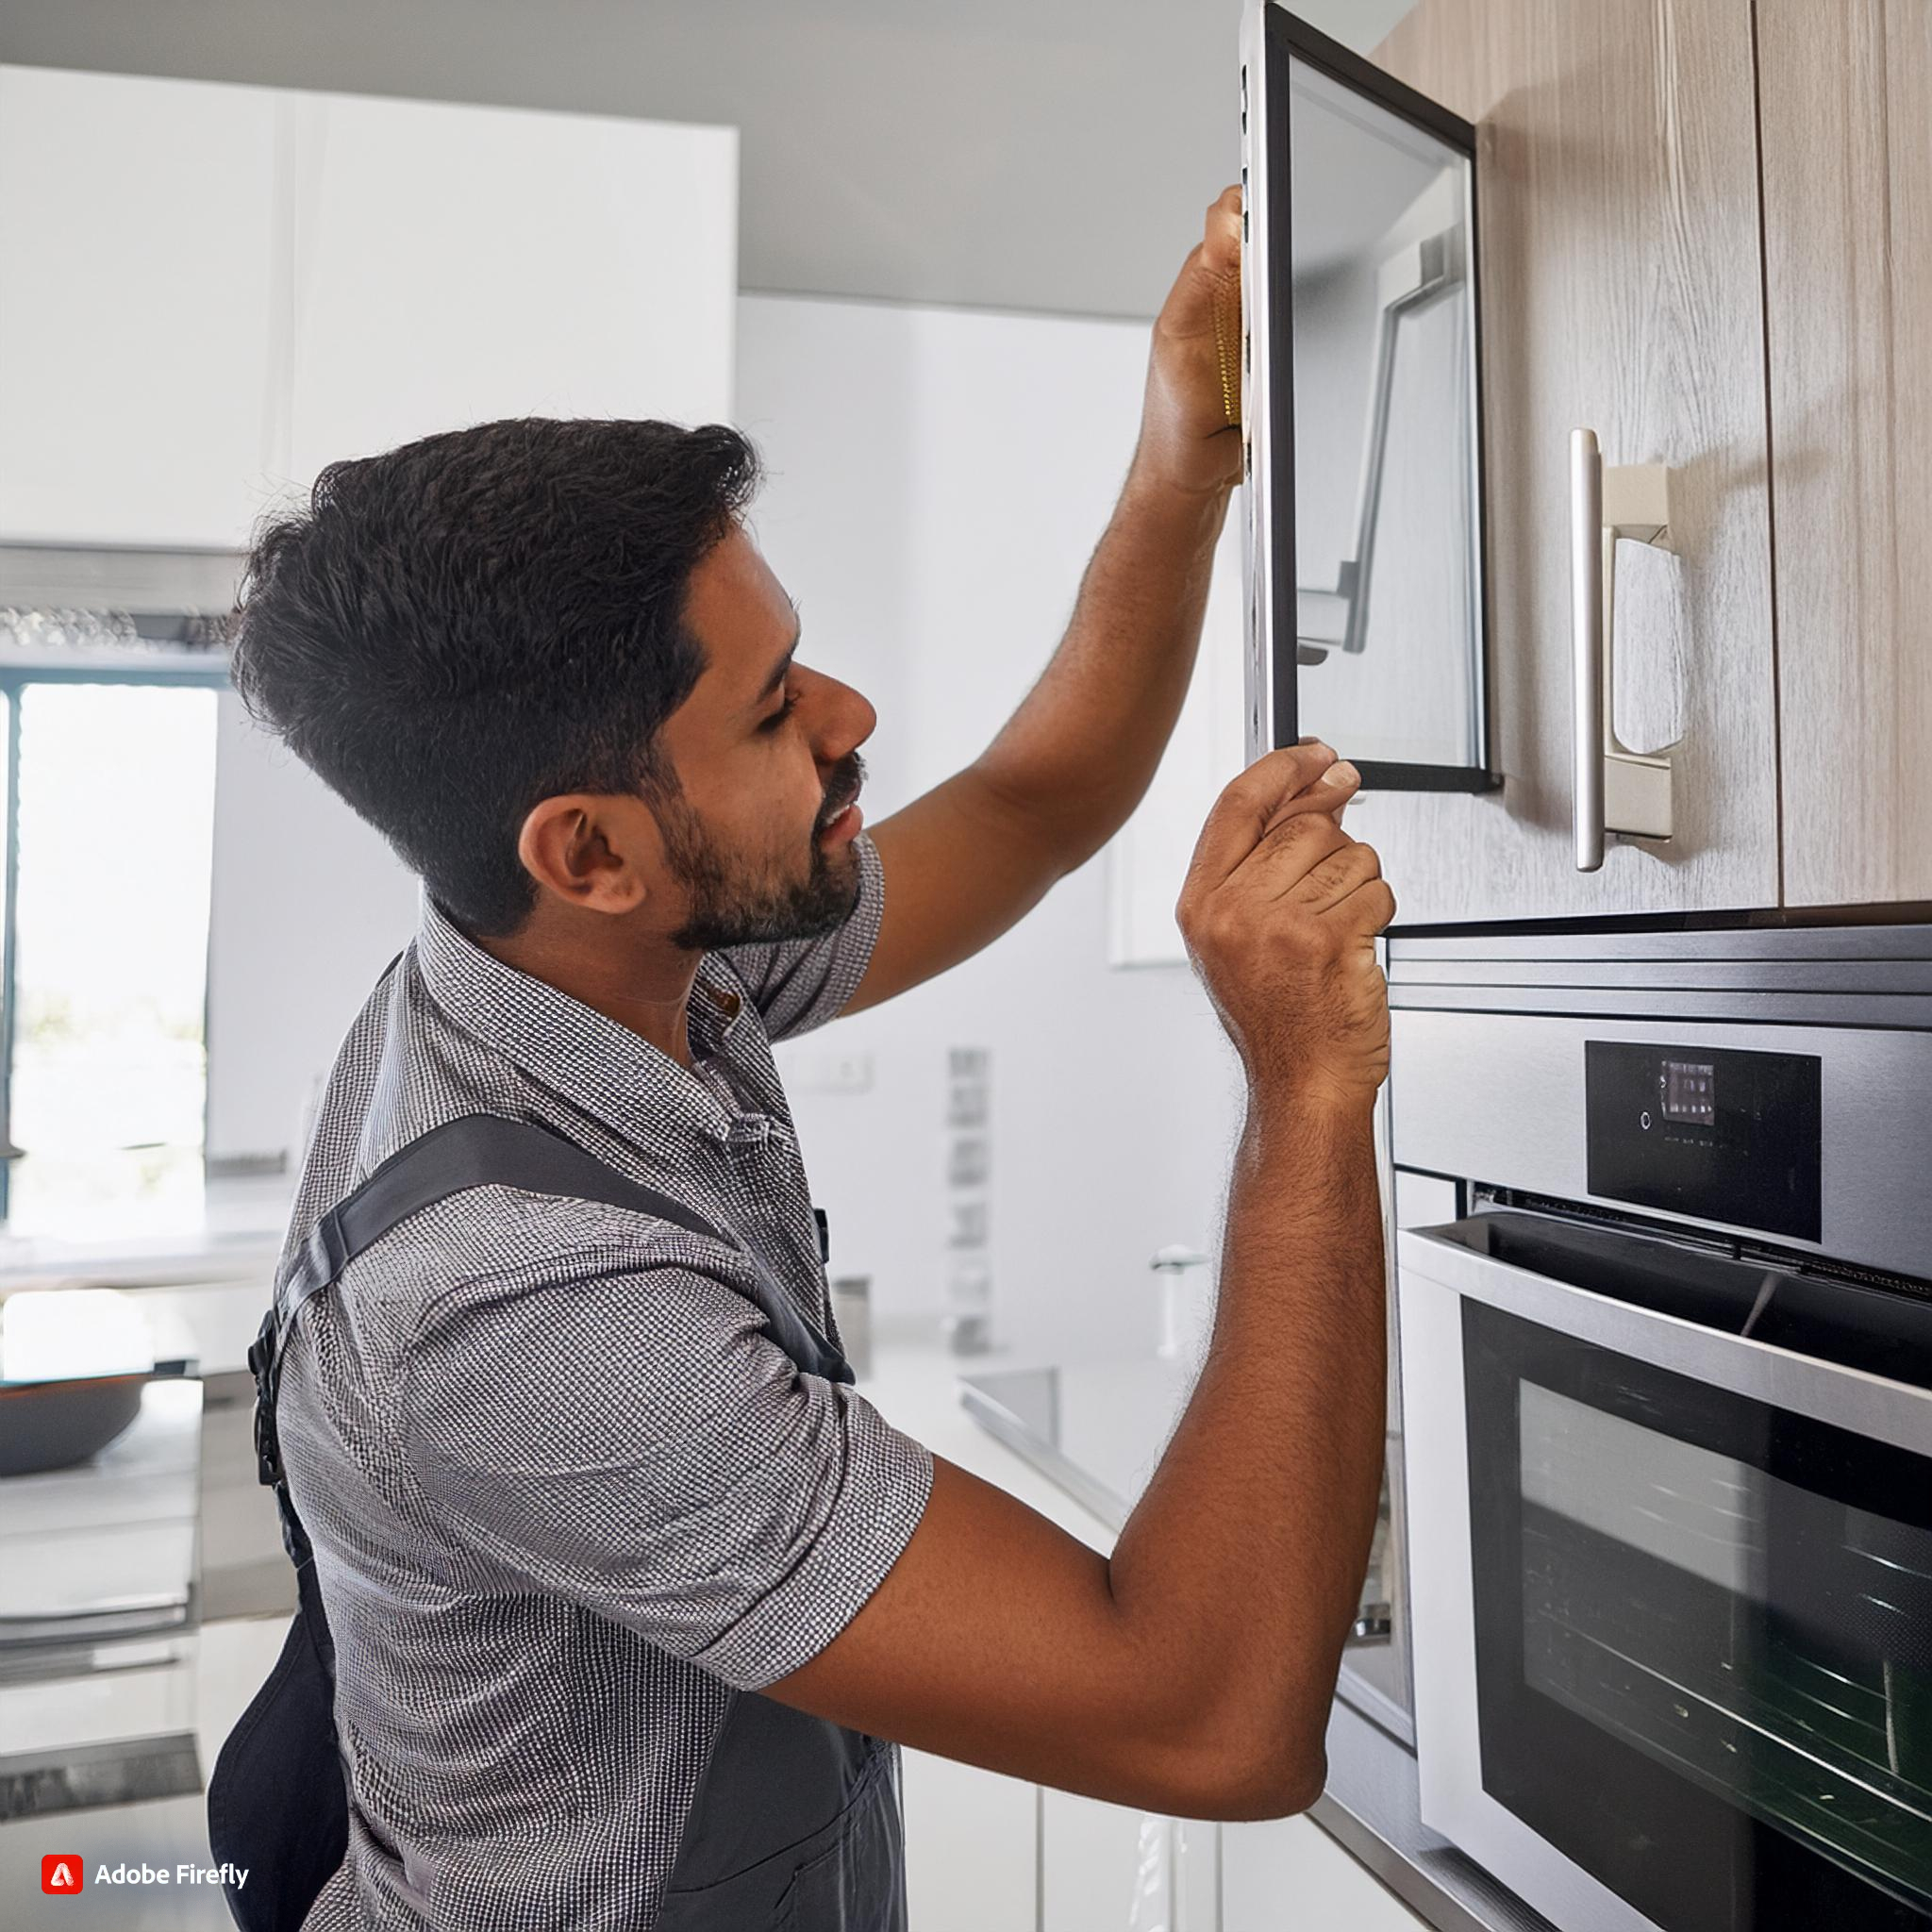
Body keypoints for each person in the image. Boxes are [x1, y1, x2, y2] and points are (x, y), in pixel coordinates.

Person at [225, 184, 1394, 1931]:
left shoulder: (603, 967)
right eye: (773, 709)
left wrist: (1182, 467)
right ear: (591, 853)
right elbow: (1216, 1724)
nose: (848, 716)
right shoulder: (517, 1313)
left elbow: (1033, 803)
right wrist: (1305, 1088)